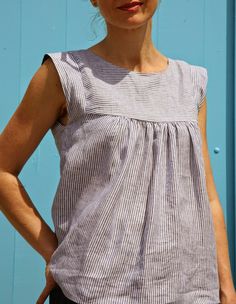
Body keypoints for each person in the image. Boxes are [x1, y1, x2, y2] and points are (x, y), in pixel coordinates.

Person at [0, 0, 235, 303]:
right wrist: (52, 252)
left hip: (189, 293)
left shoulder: (191, 84)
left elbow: (207, 195)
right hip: (91, 293)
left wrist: (226, 288)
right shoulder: (66, 74)